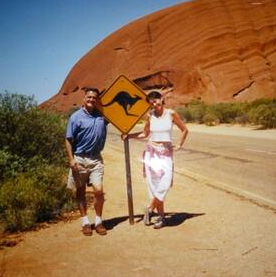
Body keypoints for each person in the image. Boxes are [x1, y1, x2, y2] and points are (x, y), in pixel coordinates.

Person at [122, 91, 188, 229]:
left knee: (165, 183)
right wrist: (129, 136)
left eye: (156, 100)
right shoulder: (150, 116)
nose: (154, 103)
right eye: (151, 102)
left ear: (161, 99)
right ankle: (162, 218)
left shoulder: (171, 114)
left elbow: (184, 130)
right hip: (152, 153)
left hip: (166, 153)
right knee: (156, 186)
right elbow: (145, 134)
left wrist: (179, 144)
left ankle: (150, 208)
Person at [65, 87, 108, 236]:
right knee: (81, 190)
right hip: (80, 158)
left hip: (96, 158)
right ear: (84, 99)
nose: (91, 100)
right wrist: (71, 160)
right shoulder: (75, 117)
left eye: (94, 98)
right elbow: (68, 140)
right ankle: (85, 222)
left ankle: (98, 221)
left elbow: (119, 117)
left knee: (99, 191)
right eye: (89, 97)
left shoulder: (101, 116)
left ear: (97, 100)